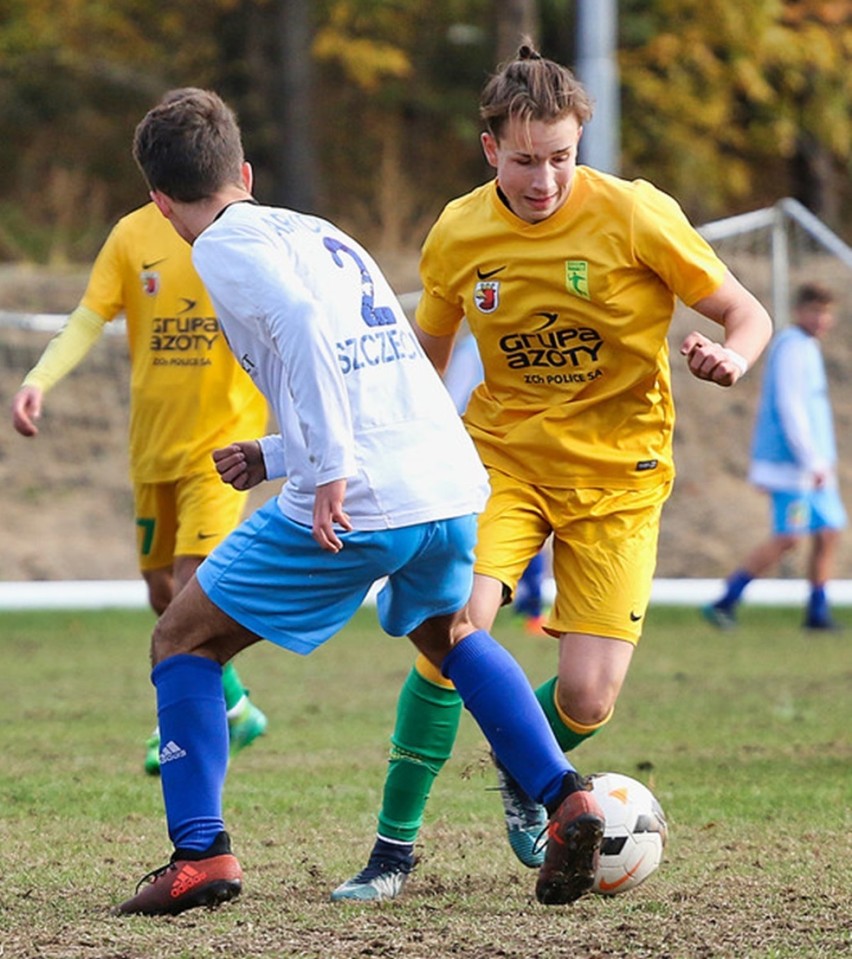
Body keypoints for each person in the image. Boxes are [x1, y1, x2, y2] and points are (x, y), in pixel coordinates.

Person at [114, 85, 611, 917]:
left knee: (182, 641)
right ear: (243, 168)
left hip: (364, 493)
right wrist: (277, 451)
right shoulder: (317, 231)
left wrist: (329, 467)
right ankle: (567, 800)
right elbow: (374, 365)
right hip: (447, 480)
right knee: (449, 633)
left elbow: (306, 329)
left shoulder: (222, 248)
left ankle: (199, 854)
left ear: (161, 201)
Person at [331, 40, 773, 903]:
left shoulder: (635, 214)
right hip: (498, 462)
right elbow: (425, 357)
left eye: (562, 158)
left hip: (621, 475)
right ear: (491, 148)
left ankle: (520, 753)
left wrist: (732, 356)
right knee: (451, 634)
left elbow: (743, 310)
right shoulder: (459, 231)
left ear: (581, 145)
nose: (545, 181)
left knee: (590, 695)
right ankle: (393, 850)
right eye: (527, 160)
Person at [11, 189, 270, 776]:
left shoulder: (243, 234)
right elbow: (88, 318)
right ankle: (238, 706)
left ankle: (180, 731)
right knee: (161, 592)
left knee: (188, 589)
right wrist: (39, 379)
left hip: (224, 447)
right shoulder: (131, 236)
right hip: (153, 450)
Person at [704, 283, 845, 631]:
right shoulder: (791, 347)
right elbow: (790, 406)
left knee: (829, 532)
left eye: (826, 312)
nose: (821, 319)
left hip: (817, 465)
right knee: (789, 537)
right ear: (799, 311)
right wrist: (809, 460)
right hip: (793, 466)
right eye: (815, 311)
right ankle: (726, 600)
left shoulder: (809, 347)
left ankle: (817, 611)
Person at [444, 331, 549, 635]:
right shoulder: (472, 348)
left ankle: (529, 608)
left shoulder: (533, 342)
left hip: (530, 452)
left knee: (533, 533)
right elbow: (454, 401)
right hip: (485, 455)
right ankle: (465, 610)